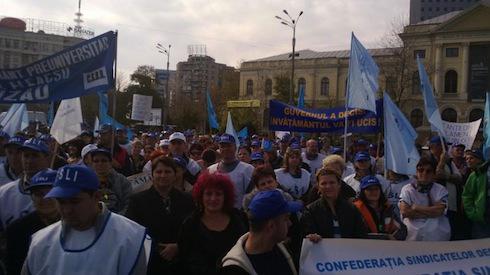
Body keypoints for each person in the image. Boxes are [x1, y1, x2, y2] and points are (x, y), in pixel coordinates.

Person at [22, 164, 150, 274]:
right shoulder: (40, 241)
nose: (67, 210)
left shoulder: (130, 236)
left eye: (75, 201)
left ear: (96, 196)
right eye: (61, 202)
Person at [126, 156, 194, 274]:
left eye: (167, 172)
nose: (163, 175)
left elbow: (193, 228)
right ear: (152, 175)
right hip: (150, 263)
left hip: (181, 263)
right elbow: (132, 231)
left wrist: (178, 247)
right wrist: (158, 248)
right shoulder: (137, 201)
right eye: (159, 171)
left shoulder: (188, 200)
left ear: (175, 175)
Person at [220, 189, 301, 275]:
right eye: (285, 219)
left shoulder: (281, 249)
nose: (290, 223)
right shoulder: (234, 270)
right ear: (271, 226)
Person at [179, 173, 247, 275]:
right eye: (208, 194)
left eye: (218, 194)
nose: (213, 198)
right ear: (201, 196)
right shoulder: (190, 225)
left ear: (225, 196)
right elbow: (185, 260)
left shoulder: (239, 219)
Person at [5, 169, 59, 275]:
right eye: (39, 194)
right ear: (32, 198)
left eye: (50, 193)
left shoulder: (74, 225)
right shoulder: (17, 230)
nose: (45, 198)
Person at [301, 168, 367, 241]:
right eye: (323, 183)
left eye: (332, 182)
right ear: (318, 187)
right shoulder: (310, 211)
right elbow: (305, 235)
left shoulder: (351, 209)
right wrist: (312, 237)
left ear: (339, 184)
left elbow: (360, 234)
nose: (328, 186)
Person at [0, 138, 51, 230]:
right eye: (26, 156)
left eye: (35, 155)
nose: (29, 161)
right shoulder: (4, 193)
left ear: (47, 158)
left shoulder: (60, 188)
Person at [399, 157, 451, 241]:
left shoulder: (441, 189)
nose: (424, 173)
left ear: (434, 174)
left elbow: (439, 211)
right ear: (416, 172)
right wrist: (431, 213)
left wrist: (417, 208)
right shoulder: (407, 189)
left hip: (437, 237)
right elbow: (405, 211)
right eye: (421, 170)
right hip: (413, 238)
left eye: (428, 171)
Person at [428, 136, 464, 239]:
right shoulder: (427, 161)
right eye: (443, 146)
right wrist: (441, 162)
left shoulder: (450, 162)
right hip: (436, 207)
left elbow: (459, 178)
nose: (446, 149)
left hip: (452, 206)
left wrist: (447, 176)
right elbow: (434, 177)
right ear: (434, 147)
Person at [208, 134, 254, 209]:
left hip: (239, 216)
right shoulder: (211, 170)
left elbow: (252, 196)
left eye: (229, 146)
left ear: (235, 148)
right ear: (219, 149)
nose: (226, 149)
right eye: (223, 146)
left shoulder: (248, 169)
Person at [353, 176, 407, 240]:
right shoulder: (356, 209)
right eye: (370, 189)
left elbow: (402, 229)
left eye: (376, 189)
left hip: (386, 246)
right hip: (365, 245)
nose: (374, 192)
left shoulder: (387, 209)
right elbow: (355, 233)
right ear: (363, 192)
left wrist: (394, 238)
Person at [88, 148, 133, 214]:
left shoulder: (122, 181)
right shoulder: (87, 182)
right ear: (91, 164)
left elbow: (128, 204)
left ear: (110, 163)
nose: (100, 163)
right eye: (96, 161)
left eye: (104, 161)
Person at [462, 149, 490, 238]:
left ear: (480, 159)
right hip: (482, 219)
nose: (468, 161)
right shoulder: (473, 176)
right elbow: (467, 196)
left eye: (471, 158)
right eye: (466, 159)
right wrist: (473, 214)